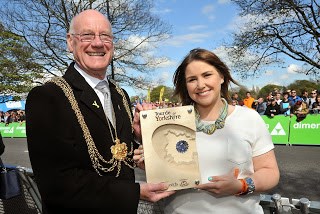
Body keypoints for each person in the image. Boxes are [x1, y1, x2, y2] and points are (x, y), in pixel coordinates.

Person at [26, 9, 173, 214]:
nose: (97, 43)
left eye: (105, 36)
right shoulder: (49, 97)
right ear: (70, 42)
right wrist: (134, 192)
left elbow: (116, 155)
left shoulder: (120, 94)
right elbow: (57, 184)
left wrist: (139, 138)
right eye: (87, 35)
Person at [133, 48, 279, 213]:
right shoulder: (170, 122)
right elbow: (165, 175)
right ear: (185, 85)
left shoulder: (249, 118)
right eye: (192, 79)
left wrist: (241, 185)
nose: (200, 85)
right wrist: (152, 164)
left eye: (207, 75)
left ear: (222, 77)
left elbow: (270, 172)